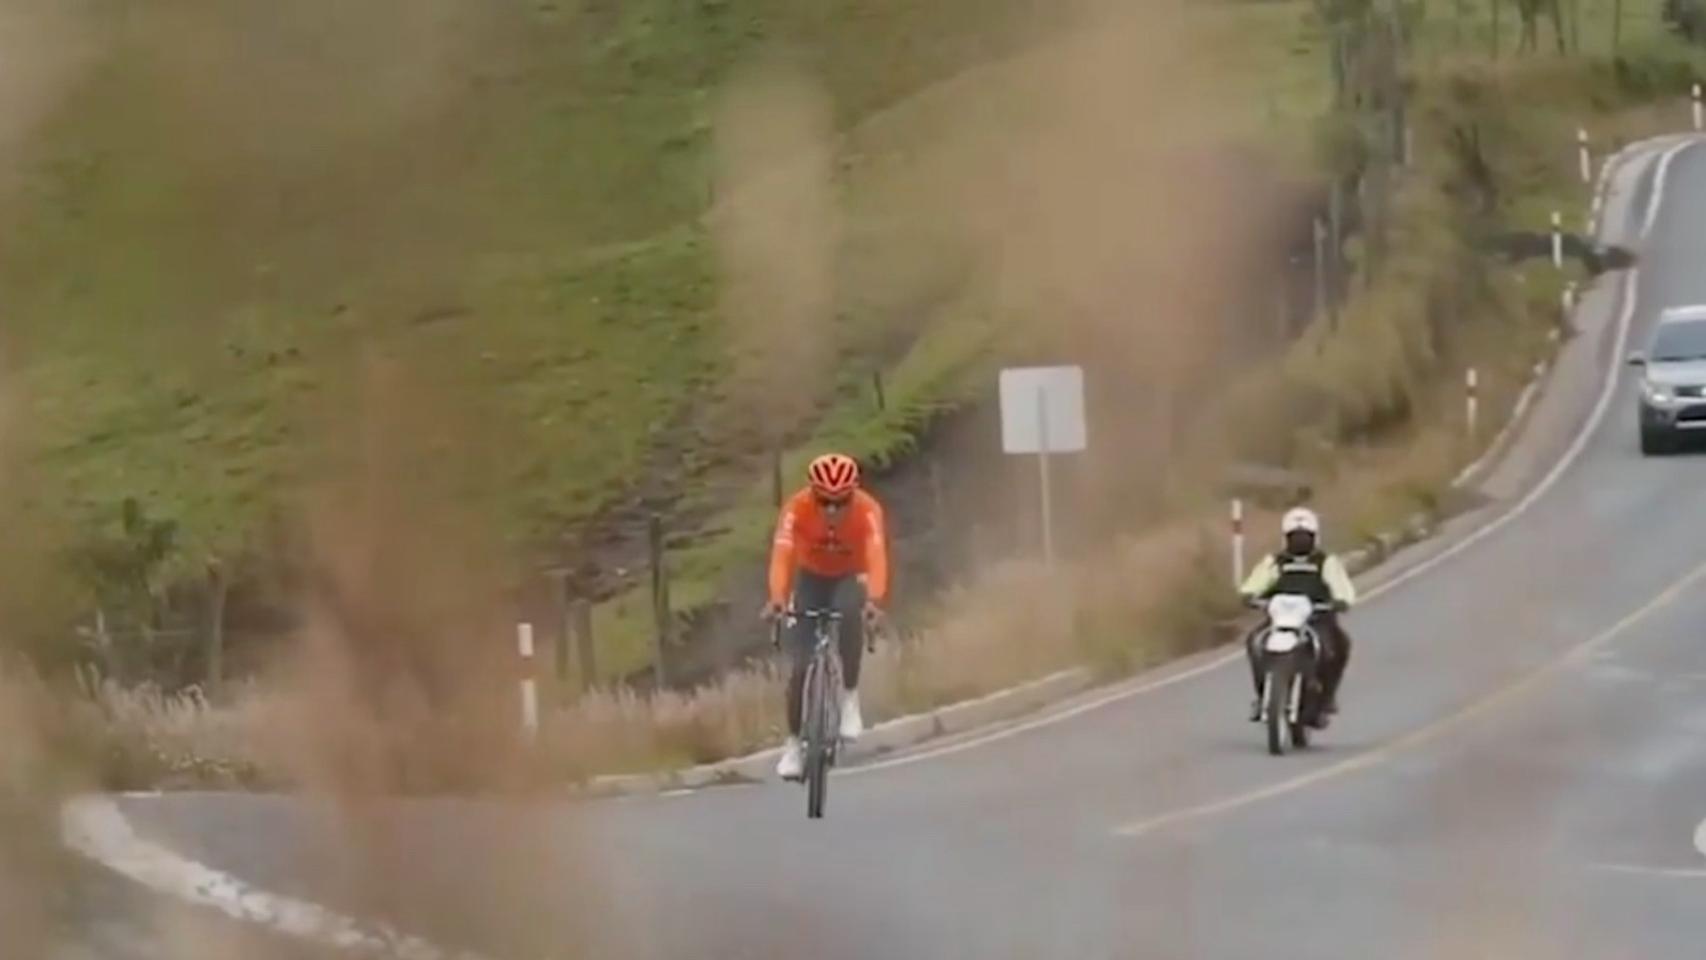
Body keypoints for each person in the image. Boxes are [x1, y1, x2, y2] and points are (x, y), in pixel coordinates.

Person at [763, 452, 890, 780]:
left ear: (853, 495)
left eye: (840, 502)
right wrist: (777, 597)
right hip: (810, 577)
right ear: (812, 495)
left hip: (849, 574)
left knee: (849, 611)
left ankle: (849, 697)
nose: (832, 510)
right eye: (825, 502)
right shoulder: (795, 509)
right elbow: (782, 554)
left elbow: (876, 556)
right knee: (800, 665)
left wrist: (875, 599)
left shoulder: (868, 510)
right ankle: (793, 746)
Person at [1239, 507, 1356, 726]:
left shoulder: (1325, 561)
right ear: (1286, 538)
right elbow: (1256, 582)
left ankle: (1327, 698)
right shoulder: (1275, 561)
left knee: (1340, 646)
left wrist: (1340, 600)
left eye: (1305, 536)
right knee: (1254, 643)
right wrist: (1249, 595)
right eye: (1295, 536)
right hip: (1280, 620)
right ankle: (1263, 694)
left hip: (1317, 619)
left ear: (1314, 537)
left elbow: (1341, 586)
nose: (1300, 541)